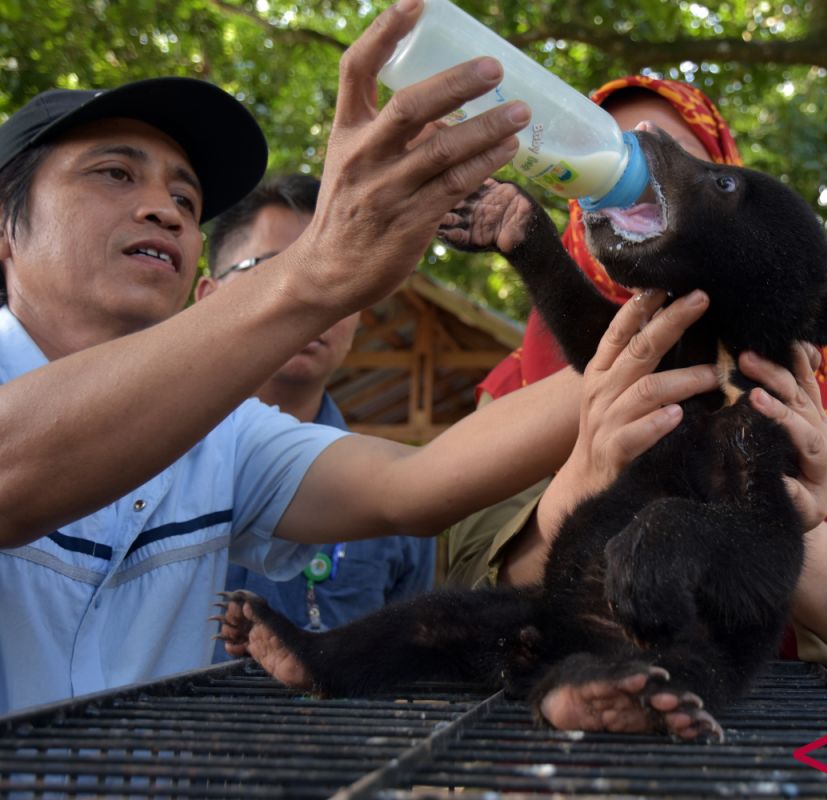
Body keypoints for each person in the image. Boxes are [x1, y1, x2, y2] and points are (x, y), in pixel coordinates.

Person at [0, 4, 720, 714]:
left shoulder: (224, 436)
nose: (164, 208)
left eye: (184, 197)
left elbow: (413, 482)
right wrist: (316, 271)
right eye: (115, 175)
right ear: (7, 229)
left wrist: (695, 345)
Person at [446, 75, 827, 675]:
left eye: (676, 152)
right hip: (553, 721)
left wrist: (781, 527)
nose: (637, 149)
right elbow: (461, 579)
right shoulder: (517, 378)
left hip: (800, 740)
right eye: (605, 149)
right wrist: (582, 482)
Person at [195, 173, 435, 638]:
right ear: (209, 295)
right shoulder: (143, 466)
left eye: (339, 279)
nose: (313, 298)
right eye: (276, 270)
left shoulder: (403, 501)